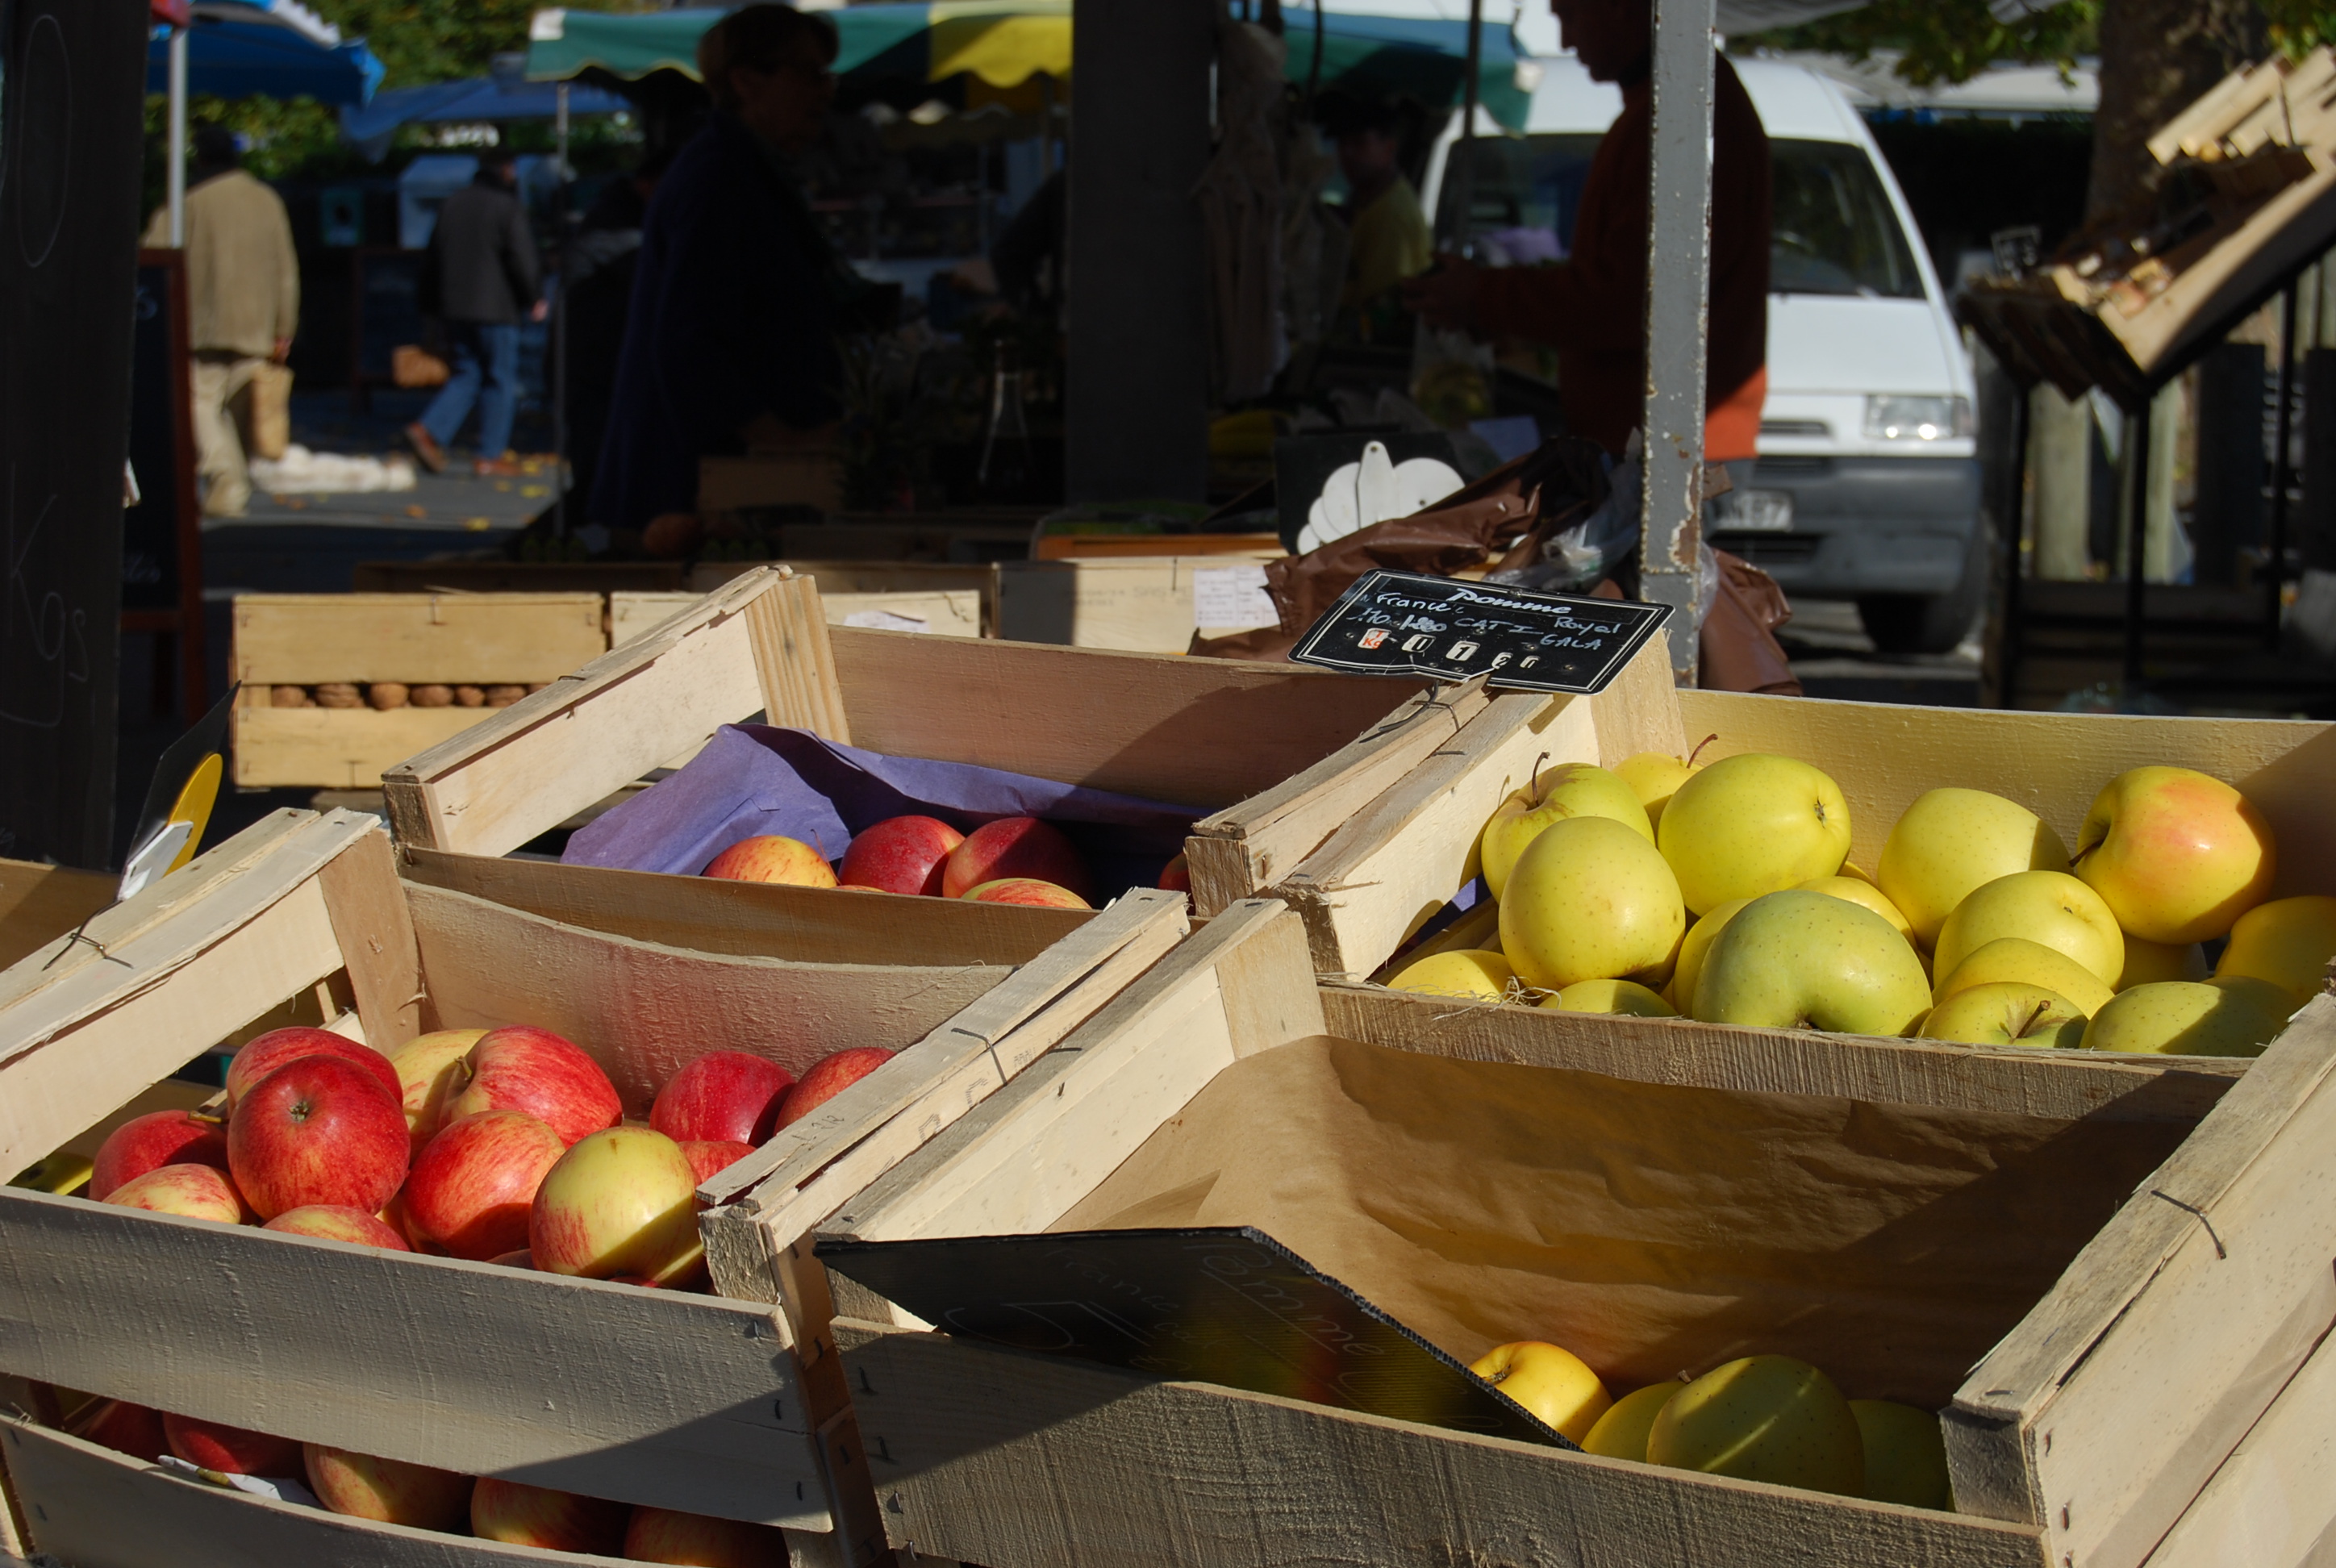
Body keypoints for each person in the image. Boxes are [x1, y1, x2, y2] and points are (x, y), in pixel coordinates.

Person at [1404, 0, 1769, 465]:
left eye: (1570, 16)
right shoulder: (1673, 110)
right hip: (1654, 444)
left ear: (1623, 9)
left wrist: (1483, 295)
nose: (1565, 40)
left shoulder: (1686, 117)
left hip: (1668, 456)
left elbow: (1628, 299)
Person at [593, 3, 855, 535]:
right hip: (693, 494)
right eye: (808, 73)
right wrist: (776, 439)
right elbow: (690, 343)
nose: (825, 91)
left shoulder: (748, 173)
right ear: (745, 80)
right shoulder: (719, 178)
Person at [142, 126, 298, 519]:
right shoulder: (267, 200)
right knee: (236, 411)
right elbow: (286, 270)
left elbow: (151, 254)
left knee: (198, 403)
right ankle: (231, 486)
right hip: (257, 326)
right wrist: (285, 326)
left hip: (202, 323)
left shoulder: (187, 201)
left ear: (202, 159)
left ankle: (226, 479)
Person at [407, 147, 544, 478]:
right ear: (508, 171)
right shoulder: (506, 207)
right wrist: (535, 296)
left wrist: (429, 306)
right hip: (496, 306)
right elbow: (521, 257)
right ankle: (489, 454)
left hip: (454, 306)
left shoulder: (452, 204)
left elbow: (431, 259)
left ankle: (429, 430)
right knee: (500, 378)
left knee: (468, 372)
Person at [1336, 102, 1432, 315]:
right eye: (1342, 143)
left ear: (1389, 147)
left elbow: (1376, 307)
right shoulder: (1373, 202)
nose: (1348, 153)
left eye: (1359, 143)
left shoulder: (1391, 213)